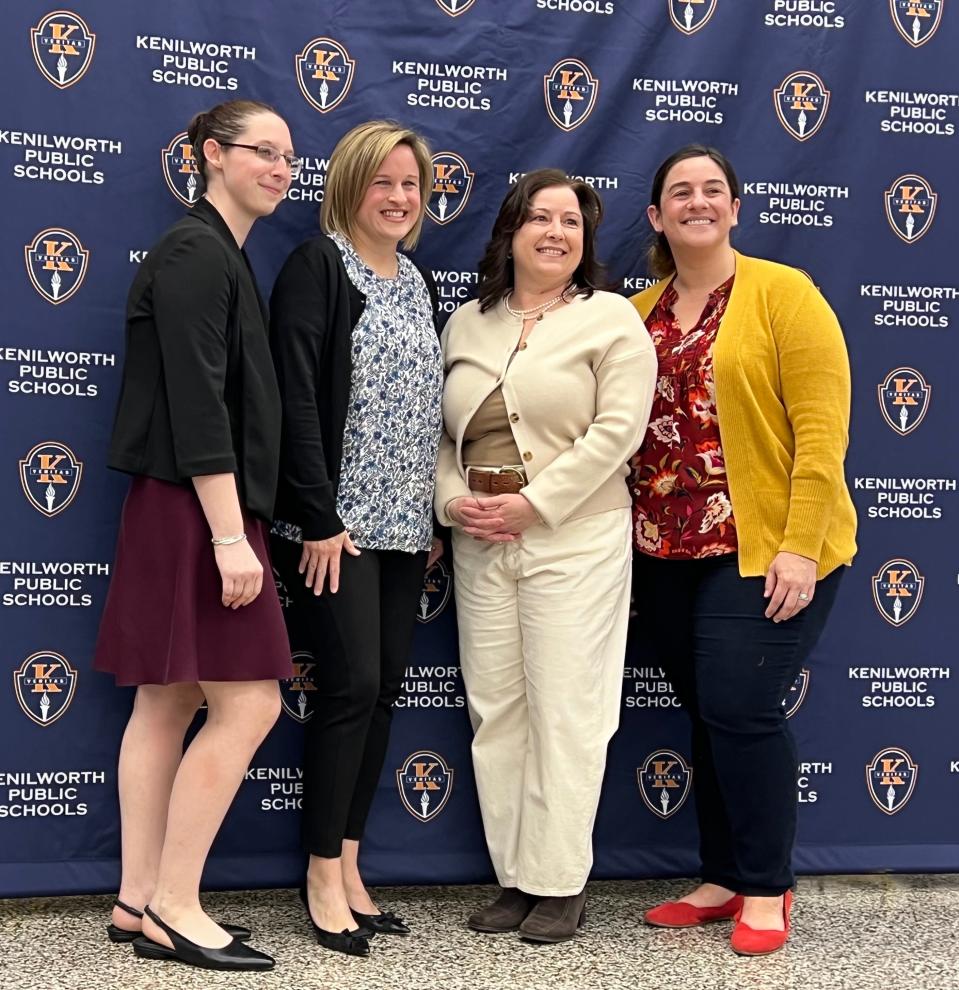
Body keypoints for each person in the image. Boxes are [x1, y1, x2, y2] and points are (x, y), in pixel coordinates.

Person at [630, 145, 857, 956]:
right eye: (679, 192)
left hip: (764, 546)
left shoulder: (782, 294)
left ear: (735, 207)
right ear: (656, 216)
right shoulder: (636, 311)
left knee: (742, 707)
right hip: (662, 550)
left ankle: (766, 887)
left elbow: (823, 431)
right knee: (709, 712)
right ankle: (722, 876)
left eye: (712, 190)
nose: (697, 201)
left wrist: (800, 546)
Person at [93, 100, 299, 972]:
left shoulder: (219, 255)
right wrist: (228, 537)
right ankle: (176, 902)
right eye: (264, 151)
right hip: (196, 511)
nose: (282, 168)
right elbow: (196, 401)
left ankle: (139, 902)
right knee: (248, 703)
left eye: (291, 156)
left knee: (170, 701)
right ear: (212, 156)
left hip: (186, 507)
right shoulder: (195, 252)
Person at [435, 169, 656, 944]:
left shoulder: (613, 321)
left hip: (574, 536)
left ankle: (560, 882)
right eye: (539, 218)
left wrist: (537, 504)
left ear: (586, 238)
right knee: (497, 711)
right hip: (480, 536)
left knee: (567, 710)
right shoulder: (467, 322)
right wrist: (451, 501)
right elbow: (439, 436)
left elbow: (617, 432)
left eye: (571, 220)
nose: (555, 232)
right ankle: (516, 879)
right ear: (510, 232)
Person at [269, 120, 443, 958]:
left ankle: (351, 863)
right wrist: (318, 516)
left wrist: (432, 516)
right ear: (350, 185)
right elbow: (295, 401)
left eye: (412, 184)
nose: (401, 197)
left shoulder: (416, 281)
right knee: (347, 690)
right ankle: (317, 875)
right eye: (385, 182)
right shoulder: (318, 268)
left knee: (381, 696)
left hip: (408, 529)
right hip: (337, 530)